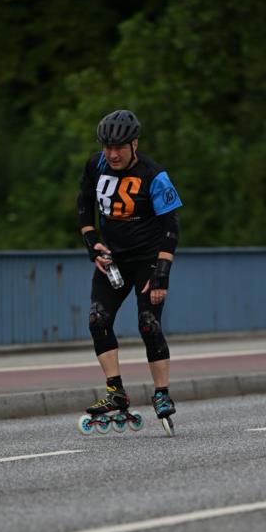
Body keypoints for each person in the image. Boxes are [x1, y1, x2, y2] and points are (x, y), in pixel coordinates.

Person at [77, 109, 182, 428]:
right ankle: (116, 392)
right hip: (114, 260)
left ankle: (162, 392)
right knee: (98, 319)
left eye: (119, 147)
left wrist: (162, 271)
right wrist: (92, 240)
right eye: (107, 147)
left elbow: (171, 225)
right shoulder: (95, 164)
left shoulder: (154, 175)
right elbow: (84, 204)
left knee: (148, 323)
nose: (112, 154)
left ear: (134, 144)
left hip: (148, 261)